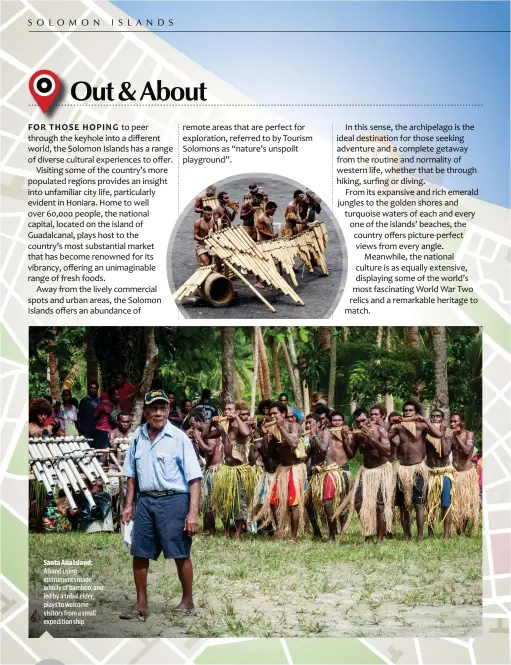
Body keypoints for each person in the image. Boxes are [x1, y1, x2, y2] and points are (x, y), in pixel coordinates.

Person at [120, 390, 202, 620]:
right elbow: (131, 475)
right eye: (153, 408)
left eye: (162, 408)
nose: (158, 413)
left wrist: (192, 513)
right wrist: (128, 506)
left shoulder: (179, 438)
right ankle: (141, 604)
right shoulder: (137, 437)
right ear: (146, 412)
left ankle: (187, 602)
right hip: (145, 501)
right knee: (139, 552)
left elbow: (194, 478)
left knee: (180, 552)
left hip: (174, 500)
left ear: (168, 410)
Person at [388, 399, 443, 541]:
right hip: (402, 469)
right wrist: (390, 423)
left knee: (418, 503)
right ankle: (406, 534)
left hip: (418, 468)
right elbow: (385, 438)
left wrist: (425, 419)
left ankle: (419, 536)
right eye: (405, 411)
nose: (407, 413)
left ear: (416, 412)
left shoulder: (422, 426)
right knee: (403, 505)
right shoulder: (399, 427)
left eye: (410, 411)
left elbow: (438, 434)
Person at [340, 408, 393, 544]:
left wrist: (372, 438)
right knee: (358, 502)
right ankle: (369, 534)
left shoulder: (380, 430)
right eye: (358, 422)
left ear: (369, 418)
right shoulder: (357, 435)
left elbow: (387, 451)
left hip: (381, 470)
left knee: (379, 506)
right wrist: (344, 438)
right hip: (366, 471)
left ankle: (380, 539)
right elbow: (351, 455)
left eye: (363, 420)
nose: (361, 424)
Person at [210, 402, 254, 540]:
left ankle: (239, 534)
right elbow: (206, 434)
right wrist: (211, 421)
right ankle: (227, 532)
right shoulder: (224, 426)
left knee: (239, 503)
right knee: (225, 501)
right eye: (225, 409)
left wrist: (237, 418)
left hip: (239, 470)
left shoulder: (239, 425)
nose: (226, 411)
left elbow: (247, 433)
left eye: (229, 409)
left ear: (237, 412)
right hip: (226, 469)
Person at [306, 413, 352, 541]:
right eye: (307, 423)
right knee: (308, 503)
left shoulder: (325, 433)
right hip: (317, 474)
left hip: (329, 472)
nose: (308, 425)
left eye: (311, 423)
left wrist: (314, 434)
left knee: (327, 504)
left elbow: (323, 448)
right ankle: (317, 532)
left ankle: (332, 535)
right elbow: (306, 456)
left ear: (319, 424)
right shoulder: (311, 438)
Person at [265, 400, 305, 542]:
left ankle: (293, 537)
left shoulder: (293, 426)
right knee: (273, 501)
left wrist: (280, 429)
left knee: (293, 503)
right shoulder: (273, 430)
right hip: (282, 469)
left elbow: (294, 443)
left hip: (295, 468)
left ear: (283, 414)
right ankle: (280, 531)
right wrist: (268, 437)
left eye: (275, 413)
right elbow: (270, 454)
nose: (272, 416)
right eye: (270, 414)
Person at [189, 411, 223, 535]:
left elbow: (210, 451)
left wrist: (198, 438)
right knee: (207, 500)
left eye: (193, 424)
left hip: (215, 470)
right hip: (209, 470)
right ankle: (209, 528)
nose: (192, 427)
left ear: (199, 422)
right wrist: (196, 440)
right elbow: (204, 451)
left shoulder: (211, 431)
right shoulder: (203, 433)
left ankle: (216, 529)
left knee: (213, 500)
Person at [424, 409, 454, 539]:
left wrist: (440, 435)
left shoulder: (448, 432)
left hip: (444, 472)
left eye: (438, 416)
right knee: (430, 504)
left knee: (446, 504)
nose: (435, 418)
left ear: (442, 419)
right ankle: (430, 532)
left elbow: (446, 452)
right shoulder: (426, 432)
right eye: (433, 416)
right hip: (431, 471)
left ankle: (446, 534)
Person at [450, 412, 479, 534]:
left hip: (466, 473)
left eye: (455, 421)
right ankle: (458, 529)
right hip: (454, 473)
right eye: (451, 421)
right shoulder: (449, 435)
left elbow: (467, 451)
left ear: (461, 422)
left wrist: (456, 437)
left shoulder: (469, 434)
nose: (452, 423)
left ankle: (463, 529)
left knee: (467, 503)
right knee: (456, 503)